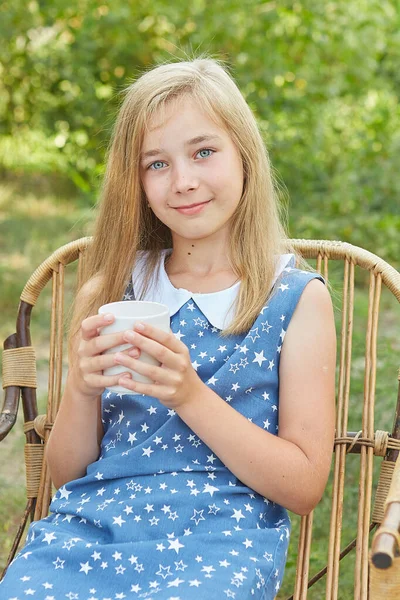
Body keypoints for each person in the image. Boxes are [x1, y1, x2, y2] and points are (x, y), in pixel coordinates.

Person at [0, 56, 336, 599]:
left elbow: (301, 487)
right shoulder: (113, 292)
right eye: (156, 164)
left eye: (204, 152)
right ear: (136, 181)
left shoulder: (293, 300)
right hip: (90, 533)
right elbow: (65, 476)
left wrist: (189, 395)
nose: (183, 181)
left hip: (218, 545)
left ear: (244, 155)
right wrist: (83, 390)